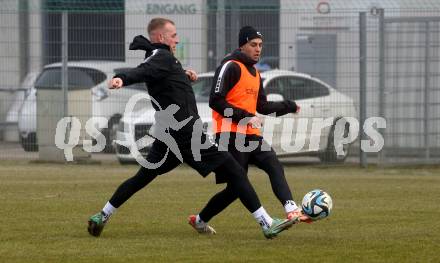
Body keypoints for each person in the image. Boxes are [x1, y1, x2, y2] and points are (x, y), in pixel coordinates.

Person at [87, 18, 297, 239]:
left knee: (143, 177)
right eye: (174, 35)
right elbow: (143, 71)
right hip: (188, 134)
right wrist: (122, 78)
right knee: (235, 172)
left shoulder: (164, 59)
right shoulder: (162, 57)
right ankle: (266, 222)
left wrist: (185, 76)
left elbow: (165, 81)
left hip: (167, 135)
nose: (177, 39)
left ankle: (103, 215)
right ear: (161, 37)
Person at [188, 26, 311, 235]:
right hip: (229, 135)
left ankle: (291, 209)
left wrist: (288, 106)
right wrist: (245, 117)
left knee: (273, 164)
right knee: (236, 188)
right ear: (242, 45)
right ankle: (202, 220)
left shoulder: (255, 73)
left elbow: (261, 106)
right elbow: (215, 100)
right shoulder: (230, 66)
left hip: (251, 135)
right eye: (253, 45)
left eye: (260, 45)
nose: (258, 49)